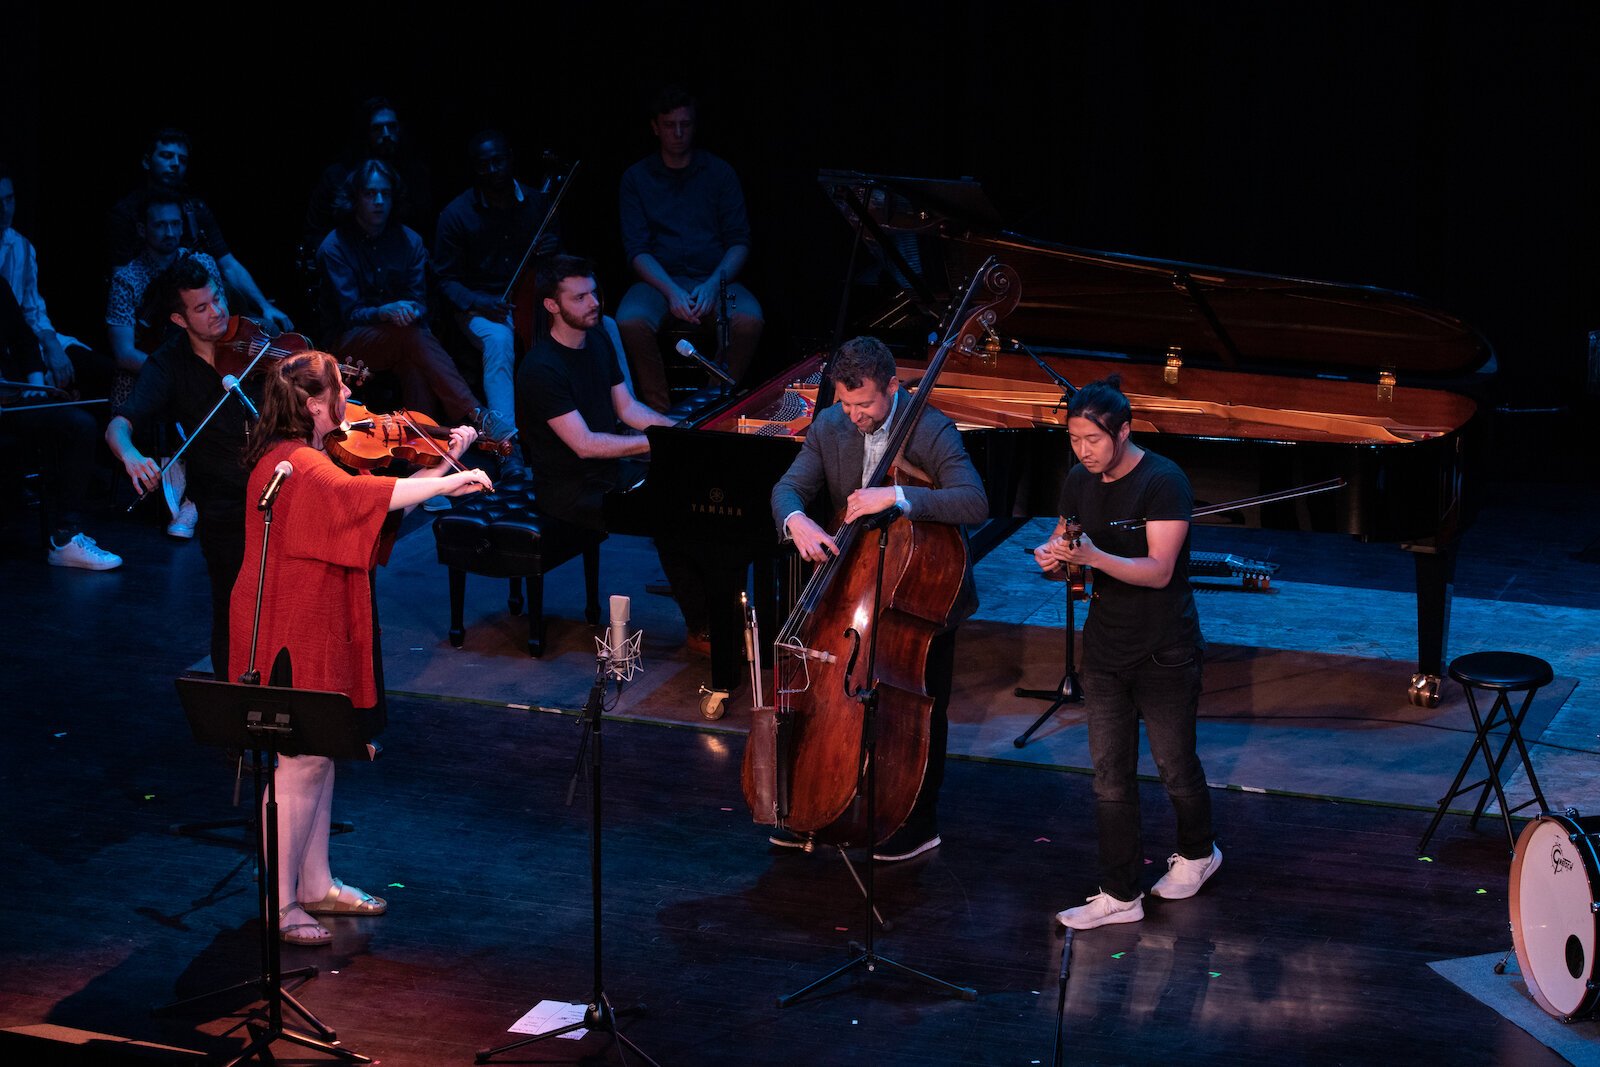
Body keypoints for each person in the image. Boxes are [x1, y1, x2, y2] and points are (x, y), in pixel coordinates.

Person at [229, 350, 490, 944]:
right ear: (316, 404)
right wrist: (455, 479)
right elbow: (360, 500)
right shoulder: (296, 465)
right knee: (298, 760)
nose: (351, 395)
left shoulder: (317, 459)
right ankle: (279, 902)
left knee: (320, 752)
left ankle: (315, 884)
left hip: (317, 615)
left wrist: (449, 461)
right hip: (288, 624)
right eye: (341, 387)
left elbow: (375, 498)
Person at [769, 336, 987, 862]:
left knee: (918, 710)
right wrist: (795, 520)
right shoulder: (830, 425)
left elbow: (974, 500)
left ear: (893, 386)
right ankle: (818, 804)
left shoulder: (929, 427)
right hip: (854, 586)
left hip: (920, 594)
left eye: (865, 404)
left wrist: (898, 496)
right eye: (846, 404)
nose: (855, 415)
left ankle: (918, 819)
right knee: (834, 698)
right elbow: (787, 489)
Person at [1034, 375, 1219, 930]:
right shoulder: (1076, 480)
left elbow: (1160, 571)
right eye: (1074, 438)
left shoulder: (1164, 481)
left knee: (1174, 767)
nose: (1083, 450)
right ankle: (1119, 893)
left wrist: (1091, 557)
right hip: (1106, 647)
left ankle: (1200, 852)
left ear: (1124, 431)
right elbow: (1065, 541)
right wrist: (1056, 557)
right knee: (1110, 775)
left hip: (1166, 648)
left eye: (1092, 439)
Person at [513, 255, 739, 667]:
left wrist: (674, 432)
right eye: (579, 297)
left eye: (593, 293)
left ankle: (728, 613)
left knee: (697, 497)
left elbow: (629, 409)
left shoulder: (598, 340)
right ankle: (702, 627)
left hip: (609, 471)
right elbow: (582, 444)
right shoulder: (540, 368)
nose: (593, 303)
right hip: (570, 488)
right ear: (552, 305)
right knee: (672, 517)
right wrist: (660, 444)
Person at [105, 255, 257, 676]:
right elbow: (119, 426)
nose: (218, 312)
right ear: (178, 318)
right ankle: (234, 717)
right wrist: (132, 456)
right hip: (223, 503)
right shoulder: (168, 364)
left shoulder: (255, 340)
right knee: (233, 606)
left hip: (282, 485)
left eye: (218, 298)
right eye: (202, 308)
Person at [315, 159, 510, 445]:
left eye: (385, 194)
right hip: (348, 344)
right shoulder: (335, 245)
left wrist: (409, 310)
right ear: (355, 197)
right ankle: (476, 413)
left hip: (404, 337)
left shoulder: (410, 241)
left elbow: (421, 300)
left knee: (414, 358)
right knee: (411, 338)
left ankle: (419, 453)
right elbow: (349, 314)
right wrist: (385, 312)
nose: (379, 201)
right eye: (370, 194)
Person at [616, 85, 763, 413]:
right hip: (659, 280)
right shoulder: (637, 178)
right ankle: (660, 415)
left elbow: (739, 240)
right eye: (670, 125)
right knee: (630, 319)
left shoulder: (719, 173)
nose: (679, 133)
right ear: (656, 128)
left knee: (749, 319)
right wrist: (671, 291)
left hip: (712, 276)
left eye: (686, 124)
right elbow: (637, 249)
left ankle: (710, 406)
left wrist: (713, 285)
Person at [435, 130, 559, 451]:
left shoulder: (536, 203)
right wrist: (479, 301)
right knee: (500, 340)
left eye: (498, 161)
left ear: (511, 160)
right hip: (478, 306)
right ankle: (509, 444)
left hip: (531, 299)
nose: (492, 170)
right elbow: (446, 280)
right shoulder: (456, 214)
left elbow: (557, 266)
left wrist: (552, 249)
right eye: (483, 165)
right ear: (474, 169)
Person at [106, 128, 293, 332]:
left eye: (182, 160)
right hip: (157, 313)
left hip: (203, 301)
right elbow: (121, 278)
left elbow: (227, 263)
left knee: (266, 329)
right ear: (146, 161)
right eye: (167, 156)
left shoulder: (195, 208)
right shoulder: (126, 212)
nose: (176, 164)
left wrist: (264, 305)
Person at [0, 281, 121, 569]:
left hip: (11, 399)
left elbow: (23, 338)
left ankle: (65, 537)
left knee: (79, 423)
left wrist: (36, 383)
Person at [0, 165, 113, 400]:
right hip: (11, 347)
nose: (4, 209)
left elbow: (32, 308)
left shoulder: (21, 246)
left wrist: (51, 345)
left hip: (30, 338)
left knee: (104, 371)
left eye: (9, 199)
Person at [304, 96, 435, 254]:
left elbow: (425, 224)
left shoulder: (416, 174)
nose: (386, 134)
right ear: (365, 132)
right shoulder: (338, 176)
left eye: (392, 126)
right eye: (378, 128)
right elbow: (316, 231)